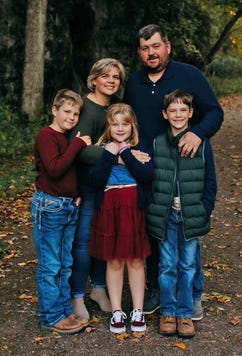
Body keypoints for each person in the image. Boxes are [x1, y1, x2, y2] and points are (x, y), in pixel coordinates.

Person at [123, 23, 224, 318]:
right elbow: (126, 120)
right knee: (155, 227)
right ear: (139, 53)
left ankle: (192, 295)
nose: (151, 53)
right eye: (145, 48)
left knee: (186, 230)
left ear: (167, 46)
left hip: (185, 165)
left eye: (156, 46)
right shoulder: (135, 83)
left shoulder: (188, 75)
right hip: (149, 168)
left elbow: (215, 112)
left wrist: (199, 134)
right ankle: (158, 289)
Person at [147, 89, 217, 338]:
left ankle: (185, 313)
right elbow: (150, 179)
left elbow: (211, 181)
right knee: (167, 265)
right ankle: (168, 311)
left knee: (187, 265)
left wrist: (205, 209)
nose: (178, 115)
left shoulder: (201, 143)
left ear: (191, 113)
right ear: (165, 114)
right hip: (165, 215)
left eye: (183, 110)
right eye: (173, 110)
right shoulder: (157, 142)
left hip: (190, 214)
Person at [68, 58, 126, 320]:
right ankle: (77, 296)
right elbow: (80, 150)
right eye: (106, 76)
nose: (111, 80)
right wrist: (114, 154)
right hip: (87, 187)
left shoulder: (114, 107)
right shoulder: (85, 107)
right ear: (94, 79)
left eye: (116, 76)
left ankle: (99, 289)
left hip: (110, 186)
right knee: (83, 243)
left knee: (106, 240)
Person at [88, 103, 153, 334]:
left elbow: (146, 174)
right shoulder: (102, 149)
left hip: (133, 206)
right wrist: (111, 154)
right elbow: (94, 180)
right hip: (109, 207)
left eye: (124, 124)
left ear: (132, 125)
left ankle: (137, 310)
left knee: (135, 259)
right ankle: (117, 311)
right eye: (114, 124)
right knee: (114, 260)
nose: (120, 128)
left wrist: (125, 152)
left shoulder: (140, 146)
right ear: (108, 126)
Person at [31, 89, 92, 335]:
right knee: (51, 265)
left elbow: (69, 173)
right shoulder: (46, 136)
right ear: (54, 110)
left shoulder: (66, 138)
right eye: (67, 111)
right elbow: (55, 169)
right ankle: (51, 315)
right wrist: (78, 143)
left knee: (66, 263)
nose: (72, 117)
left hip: (67, 206)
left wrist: (76, 193)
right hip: (50, 207)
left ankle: (65, 310)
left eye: (76, 114)